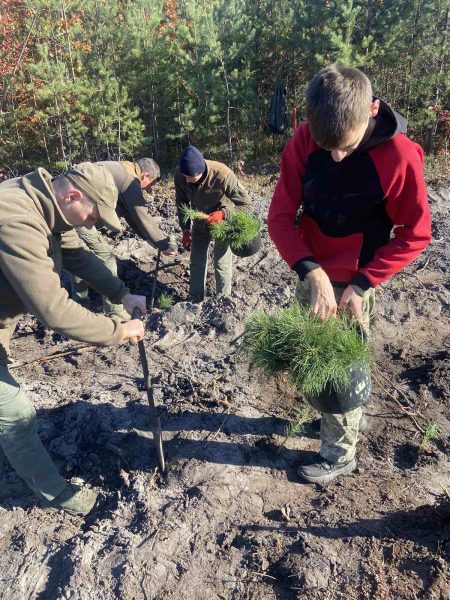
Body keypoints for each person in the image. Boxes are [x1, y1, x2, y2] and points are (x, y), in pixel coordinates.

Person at [268, 65, 431, 483]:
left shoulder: (400, 156)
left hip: (357, 280)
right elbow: (280, 218)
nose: (336, 156)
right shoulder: (304, 141)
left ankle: (340, 453)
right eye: (328, 147)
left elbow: (415, 233)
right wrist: (311, 272)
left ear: (372, 110)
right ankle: (325, 417)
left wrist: (361, 284)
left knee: (342, 369)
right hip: (311, 271)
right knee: (312, 358)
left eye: (346, 146)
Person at [0, 163, 146, 516]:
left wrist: (121, 293)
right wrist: (118, 330)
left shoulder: (47, 204)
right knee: (15, 410)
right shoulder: (16, 219)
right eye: (94, 216)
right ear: (73, 196)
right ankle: (56, 494)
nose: (92, 224)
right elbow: (53, 310)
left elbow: (78, 256)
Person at [71, 158, 176, 319]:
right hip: (79, 214)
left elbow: (129, 215)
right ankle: (115, 312)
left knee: (80, 255)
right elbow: (141, 215)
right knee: (107, 258)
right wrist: (162, 244)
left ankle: (80, 303)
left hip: (75, 211)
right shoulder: (130, 181)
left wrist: (149, 240)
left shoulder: (121, 171)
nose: (149, 190)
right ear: (145, 175)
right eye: (151, 184)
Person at [174, 146, 252, 302]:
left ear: (201, 172)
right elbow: (181, 202)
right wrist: (185, 230)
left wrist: (223, 214)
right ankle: (195, 300)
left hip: (222, 223)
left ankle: (223, 301)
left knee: (221, 262)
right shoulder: (180, 174)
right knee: (196, 261)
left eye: (191, 177)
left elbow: (247, 206)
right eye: (185, 176)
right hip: (200, 219)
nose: (187, 180)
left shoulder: (222, 175)